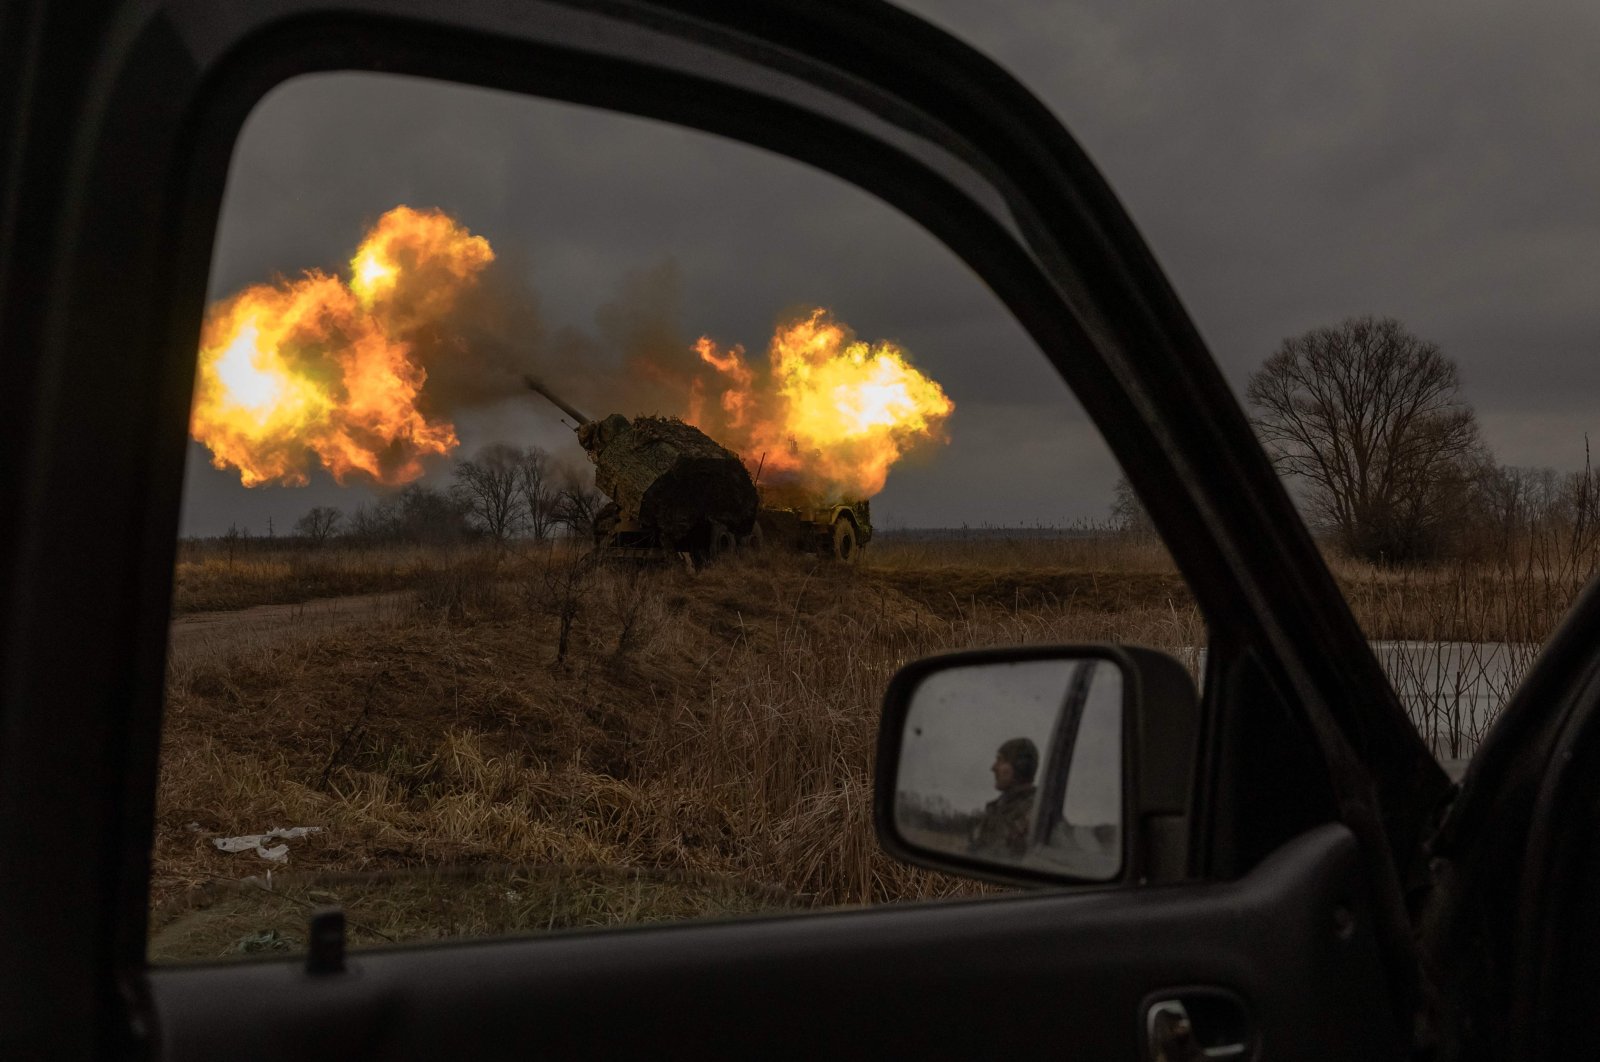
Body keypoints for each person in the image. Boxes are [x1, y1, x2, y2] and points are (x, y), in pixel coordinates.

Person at [969, 737, 1039, 858]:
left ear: (1020, 766)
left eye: (1000, 761)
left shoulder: (1036, 813)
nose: (993, 768)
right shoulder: (997, 808)